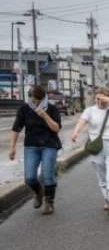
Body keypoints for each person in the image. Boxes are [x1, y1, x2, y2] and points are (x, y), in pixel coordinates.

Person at [70, 87, 109, 217]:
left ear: (107, 98)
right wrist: (76, 132)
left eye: (101, 98)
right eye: (97, 98)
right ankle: (107, 199)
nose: (98, 101)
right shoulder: (90, 110)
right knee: (102, 177)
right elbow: (82, 121)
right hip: (97, 147)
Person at [8, 85, 63, 215]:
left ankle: (49, 202)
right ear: (30, 97)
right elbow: (16, 128)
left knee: (47, 176)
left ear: (44, 98)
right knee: (30, 178)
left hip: (49, 145)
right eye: (33, 99)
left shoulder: (52, 109)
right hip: (31, 146)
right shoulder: (24, 109)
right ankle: (39, 191)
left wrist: (45, 115)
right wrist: (12, 147)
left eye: (38, 100)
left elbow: (56, 128)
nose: (36, 102)